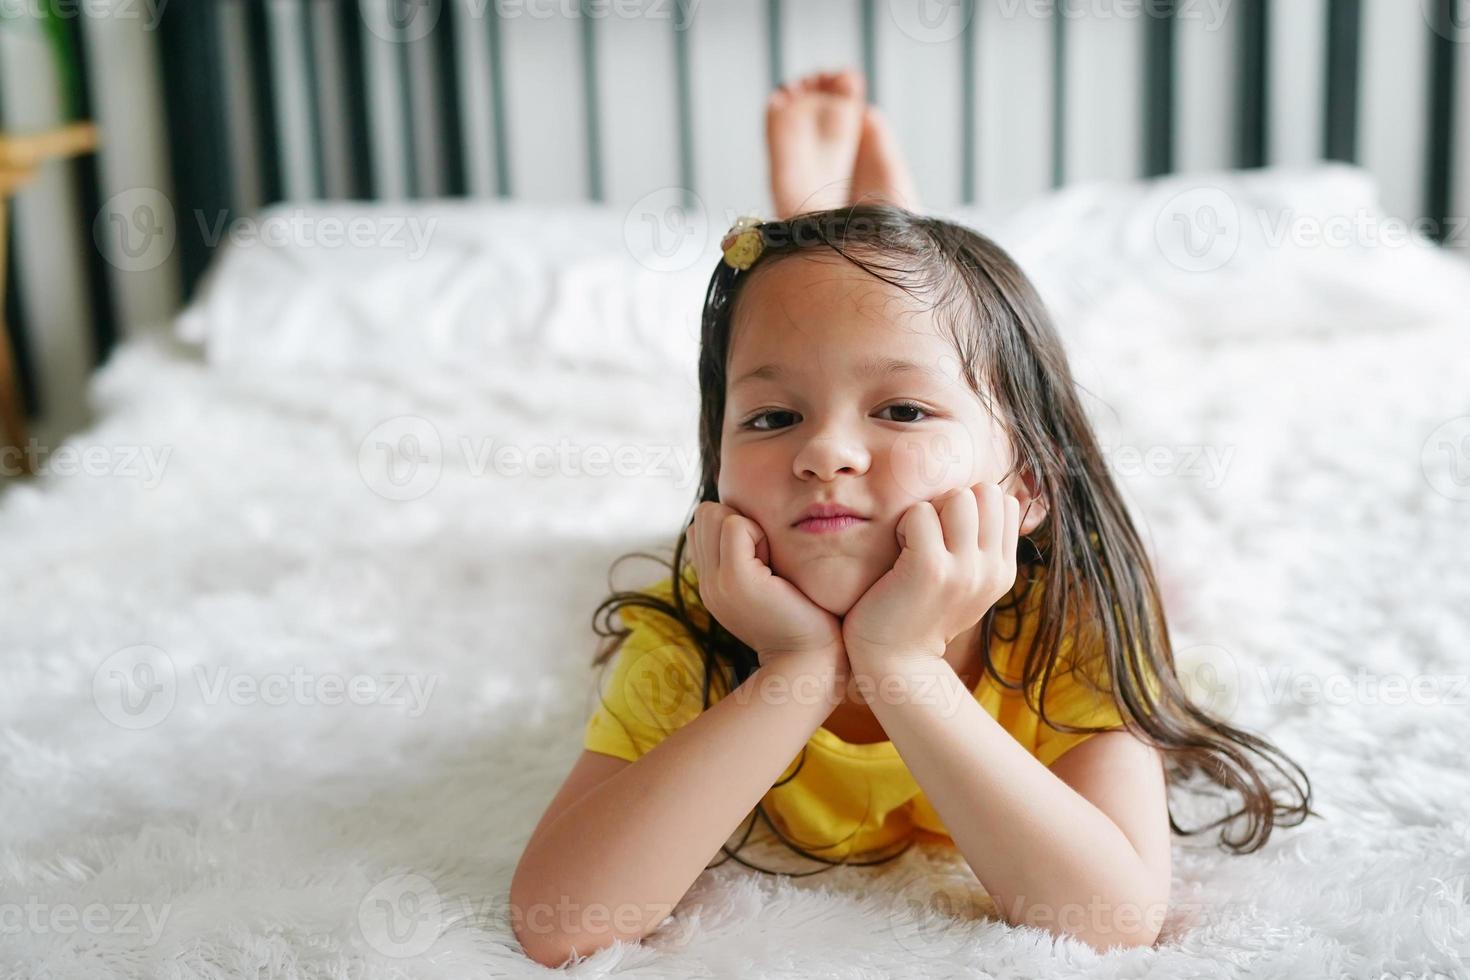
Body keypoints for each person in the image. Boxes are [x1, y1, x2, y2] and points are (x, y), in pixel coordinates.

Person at [510, 68, 1315, 968]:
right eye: (771, 419)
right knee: (875, 330)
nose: (825, 452)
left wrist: (901, 665)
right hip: (789, 581)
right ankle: (858, 248)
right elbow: (557, 922)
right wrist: (795, 669)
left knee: (1160, 572)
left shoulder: (1068, 630)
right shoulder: (690, 639)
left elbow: (1110, 919)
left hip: (1043, 545)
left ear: (1026, 488)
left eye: (900, 411)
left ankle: (874, 230)